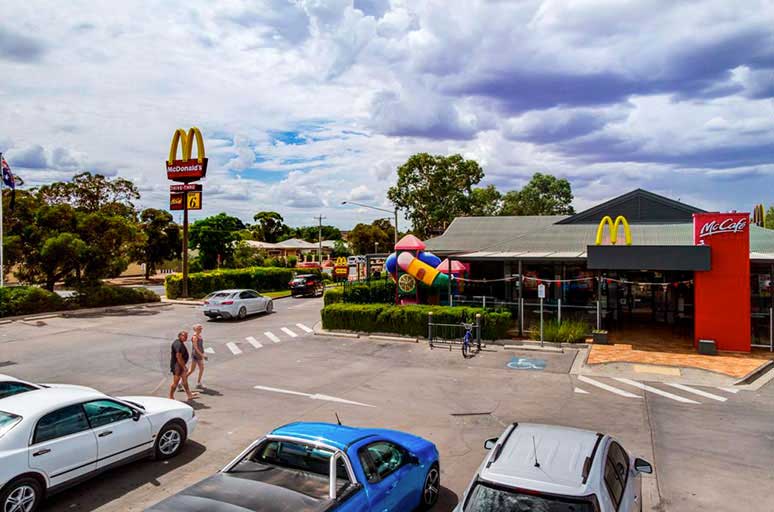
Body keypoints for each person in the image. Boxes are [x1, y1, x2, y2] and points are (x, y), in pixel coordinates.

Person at [169, 331, 197, 401]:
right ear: (179, 336)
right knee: (175, 383)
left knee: (184, 381)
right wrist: (184, 367)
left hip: (180, 365)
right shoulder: (178, 344)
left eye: (186, 336)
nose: (186, 338)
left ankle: (189, 395)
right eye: (184, 336)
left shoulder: (180, 342)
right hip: (177, 367)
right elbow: (178, 357)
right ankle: (171, 397)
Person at [187, 324, 207, 389]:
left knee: (200, 368)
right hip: (196, 355)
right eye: (199, 327)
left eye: (201, 327)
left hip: (199, 354)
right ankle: (181, 382)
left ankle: (198, 383)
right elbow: (195, 348)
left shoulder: (199, 336)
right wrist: (202, 355)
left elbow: (200, 346)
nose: (201, 328)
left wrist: (203, 353)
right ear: (195, 329)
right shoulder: (195, 337)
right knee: (192, 370)